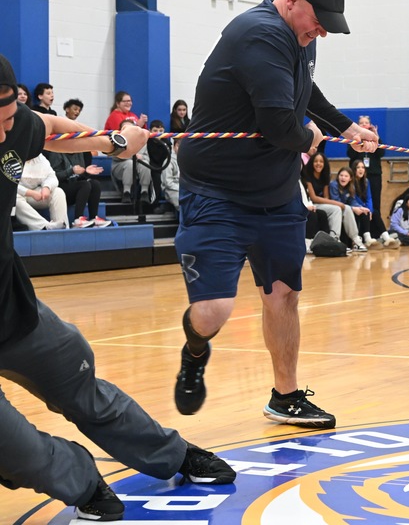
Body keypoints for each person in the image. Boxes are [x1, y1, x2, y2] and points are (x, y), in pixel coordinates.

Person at [0, 57, 235, 522]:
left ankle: (172, 454)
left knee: (77, 372)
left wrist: (112, 141)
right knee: (15, 448)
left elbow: (45, 128)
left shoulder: (14, 127)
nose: (3, 134)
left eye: (7, 120)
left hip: (11, 306)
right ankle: (82, 479)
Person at [172, 0, 379, 428]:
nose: (321, 33)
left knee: (283, 295)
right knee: (212, 311)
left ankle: (285, 396)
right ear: (291, 1)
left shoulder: (298, 39)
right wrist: (310, 139)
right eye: (318, 22)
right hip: (217, 192)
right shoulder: (260, 35)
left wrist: (343, 126)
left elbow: (305, 93)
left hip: (276, 191)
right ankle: (194, 349)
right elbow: (280, 126)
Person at [302, 151, 366, 252]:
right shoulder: (308, 177)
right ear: (312, 163)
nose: (318, 164)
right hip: (312, 204)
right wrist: (338, 204)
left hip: (323, 204)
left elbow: (326, 197)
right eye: (316, 161)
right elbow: (314, 198)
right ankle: (334, 239)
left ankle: (356, 240)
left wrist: (340, 205)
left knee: (348, 208)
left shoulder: (325, 176)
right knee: (337, 209)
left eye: (321, 161)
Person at [46, 147, 110, 228]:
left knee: (95, 184)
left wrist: (86, 172)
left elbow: (79, 178)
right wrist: (71, 171)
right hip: (61, 189)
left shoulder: (81, 152)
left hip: (75, 186)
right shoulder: (56, 153)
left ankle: (94, 218)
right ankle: (78, 219)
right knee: (84, 185)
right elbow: (53, 177)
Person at [346, 115, 385, 230]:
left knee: (375, 202)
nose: (364, 125)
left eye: (366, 123)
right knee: (358, 201)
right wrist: (356, 140)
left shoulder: (375, 137)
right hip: (358, 177)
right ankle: (362, 230)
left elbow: (381, 154)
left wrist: (376, 136)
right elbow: (350, 155)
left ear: (370, 125)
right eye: (361, 123)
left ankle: (375, 231)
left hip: (374, 175)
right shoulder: (355, 137)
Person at [14, 153, 69, 230]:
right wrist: (30, 193)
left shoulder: (40, 158)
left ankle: (61, 225)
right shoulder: (11, 156)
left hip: (36, 193)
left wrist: (47, 187)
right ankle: (44, 226)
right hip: (18, 193)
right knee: (13, 198)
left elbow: (52, 176)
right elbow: (8, 184)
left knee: (58, 192)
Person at [351, 158, 398, 248]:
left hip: (364, 207)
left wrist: (370, 210)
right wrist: (364, 208)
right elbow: (353, 199)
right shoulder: (351, 182)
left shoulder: (366, 181)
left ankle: (387, 238)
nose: (361, 169)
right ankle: (367, 239)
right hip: (355, 207)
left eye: (363, 167)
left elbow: (369, 197)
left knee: (375, 212)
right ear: (354, 170)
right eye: (358, 167)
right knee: (365, 212)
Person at [331, 165, 376, 249]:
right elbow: (337, 202)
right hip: (336, 209)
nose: (343, 178)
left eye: (346, 176)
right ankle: (354, 240)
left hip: (346, 209)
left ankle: (365, 238)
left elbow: (352, 200)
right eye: (341, 175)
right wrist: (353, 208)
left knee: (364, 211)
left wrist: (360, 207)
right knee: (350, 211)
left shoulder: (351, 187)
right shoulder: (334, 185)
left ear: (350, 178)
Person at [110, 119, 155, 203]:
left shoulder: (142, 140)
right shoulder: (117, 139)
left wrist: (142, 157)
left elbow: (148, 157)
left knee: (145, 163)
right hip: (120, 166)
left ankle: (144, 192)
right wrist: (132, 156)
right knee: (129, 163)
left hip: (138, 164)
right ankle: (126, 192)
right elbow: (117, 157)